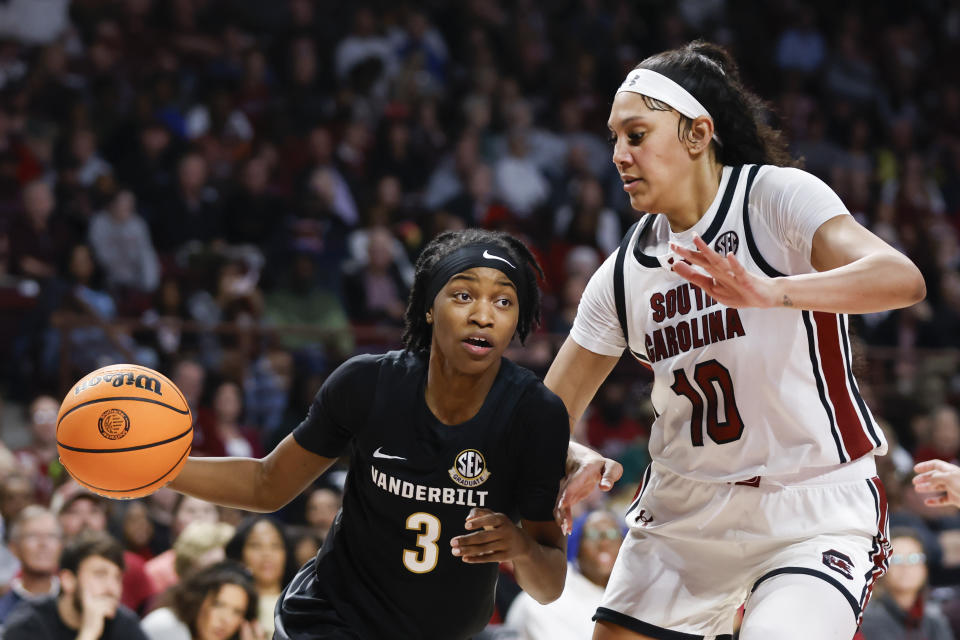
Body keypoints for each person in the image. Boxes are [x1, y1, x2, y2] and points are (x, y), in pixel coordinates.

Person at [544, 40, 926, 640]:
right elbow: (549, 413)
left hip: (810, 503)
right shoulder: (623, 272)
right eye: (614, 138)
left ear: (697, 135)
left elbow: (902, 279)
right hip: (682, 514)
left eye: (636, 135)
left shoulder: (775, 198)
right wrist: (572, 455)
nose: (618, 155)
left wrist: (772, 291)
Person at [165, 228, 570, 639]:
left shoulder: (536, 415)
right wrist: (160, 470)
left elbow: (549, 586)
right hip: (332, 622)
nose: (483, 315)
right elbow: (266, 484)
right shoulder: (367, 384)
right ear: (429, 306)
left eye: (503, 301)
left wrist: (520, 548)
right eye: (464, 295)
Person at [4, 529, 148, 640]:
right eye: (100, 575)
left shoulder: (125, 623)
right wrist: (89, 632)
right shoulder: (28, 623)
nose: (112, 588)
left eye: (117, 578)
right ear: (68, 581)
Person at [506, 510, 624, 640]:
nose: (604, 543)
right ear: (577, 544)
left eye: (612, 534)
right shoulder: (550, 596)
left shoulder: (626, 592)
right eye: (593, 535)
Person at [858, 527, 953, 640]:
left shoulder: (934, 619)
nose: (906, 566)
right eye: (896, 559)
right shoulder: (867, 620)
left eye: (914, 558)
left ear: (925, 567)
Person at [141, 560, 261, 640]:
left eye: (237, 612)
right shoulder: (166, 625)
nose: (226, 620)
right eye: (218, 605)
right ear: (197, 599)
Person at [224, 516, 296, 637]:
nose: (267, 553)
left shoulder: (301, 604)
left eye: (275, 545)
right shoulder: (231, 605)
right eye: (256, 545)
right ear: (240, 555)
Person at [0, 506, 63, 624]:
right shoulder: (3, 609)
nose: (43, 544)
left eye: (51, 536)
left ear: (61, 546)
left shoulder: (75, 601)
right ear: (13, 547)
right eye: (33, 536)